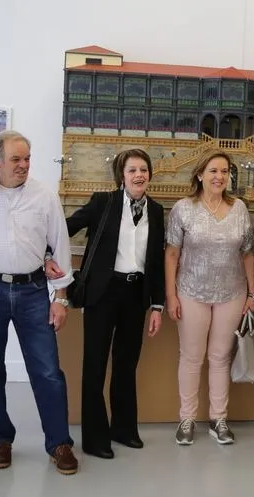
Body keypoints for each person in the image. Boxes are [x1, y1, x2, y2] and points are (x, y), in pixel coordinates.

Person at [0, 130, 78, 475]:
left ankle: (59, 443)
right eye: (16, 159)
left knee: (47, 370)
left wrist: (60, 298)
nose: (24, 165)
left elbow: (59, 244)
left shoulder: (45, 196)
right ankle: (1, 438)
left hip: (33, 290)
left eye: (27, 158)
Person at [65, 149, 165, 458]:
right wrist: (44, 253)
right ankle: (95, 438)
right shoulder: (103, 202)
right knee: (95, 365)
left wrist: (157, 305)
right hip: (103, 293)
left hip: (135, 295)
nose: (139, 175)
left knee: (126, 364)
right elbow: (65, 228)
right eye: (132, 170)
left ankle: (123, 429)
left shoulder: (156, 210)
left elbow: (156, 261)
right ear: (121, 175)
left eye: (143, 169)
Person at [165, 150, 254, 446]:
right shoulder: (183, 209)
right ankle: (187, 419)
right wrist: (171, 296)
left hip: (232, 293)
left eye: (225, 171)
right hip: (191, 292)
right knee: (191, 357)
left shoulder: (239, 208)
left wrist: (252, 294)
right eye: (213, 171)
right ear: (200, 174)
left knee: (220, 357)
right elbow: (172, 254)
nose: (220, 176)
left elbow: (247, 253)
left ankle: (219, 419)